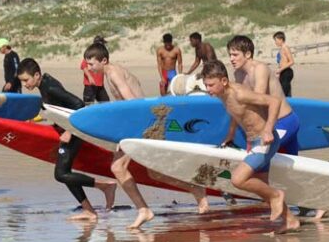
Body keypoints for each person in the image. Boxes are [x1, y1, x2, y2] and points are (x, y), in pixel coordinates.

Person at [84, 42, 208, 229]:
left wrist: (124, 135)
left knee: (118, 167)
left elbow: (132, 103)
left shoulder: (114, 73)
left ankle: (144, 210)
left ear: (103, 60)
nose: (89, 68)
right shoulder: (112, 72)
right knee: (154, 172)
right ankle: (195, 189)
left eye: (91, 64)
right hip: (143, 123)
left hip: (143, 124)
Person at [203, 59, 299, 233]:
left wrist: (269, 130)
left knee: (238, 179)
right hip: (254, 142)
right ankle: (290, 220)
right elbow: (236, 113)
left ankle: (277, 195)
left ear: (223, 81)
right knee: (263, 190)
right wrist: (231, 134)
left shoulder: (240, 93)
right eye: (206, 85)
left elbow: (274, 102)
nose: (207, 89)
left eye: (211, 85)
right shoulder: (223, 95)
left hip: (265, 141)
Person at [17, 57, 117, 221]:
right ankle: (89, 210)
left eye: (26, 80)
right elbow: (58, 108)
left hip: (74, 132)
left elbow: (78, 104)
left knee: (61, 174)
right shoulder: (45, 84)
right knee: (65, 173)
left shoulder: (49, 87)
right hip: (68, 131)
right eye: (22, 81)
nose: (25, 84)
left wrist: (70, 131)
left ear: (36, 75)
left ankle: (105, 187)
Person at [80, 35, 110, 104]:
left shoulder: (101, 55)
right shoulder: (91, 55)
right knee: (89, 103)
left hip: (100, 84)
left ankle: (105, 114)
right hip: (90, 84)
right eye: (102, 43)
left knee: (105, 102)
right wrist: (90, 77)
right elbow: (83, 66)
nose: (103, 46)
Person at [273, 31, 295, 98]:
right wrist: (279, 72)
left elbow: (292, 61)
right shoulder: (281, 49)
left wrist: (280, 70)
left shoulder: (285, 47)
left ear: (281, 39)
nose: (275, 42)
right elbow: (281, 62)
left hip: (287, 72)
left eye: (276, 40)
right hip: (283, 72)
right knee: (285, 94)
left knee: (283, 94)